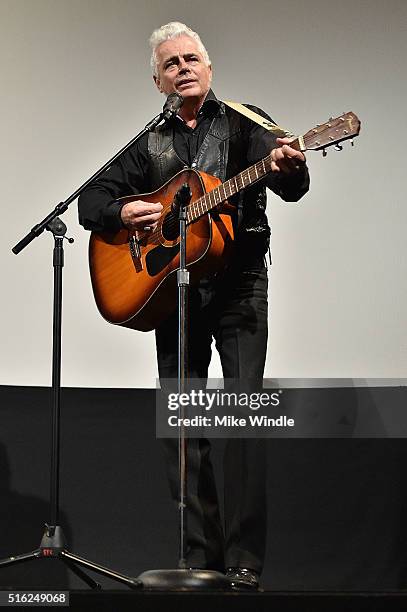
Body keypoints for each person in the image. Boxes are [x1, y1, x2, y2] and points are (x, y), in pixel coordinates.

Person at [78, 22, 309, 589]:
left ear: (209, 68)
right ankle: (200, 558)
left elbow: (290, 184)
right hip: (175, 291)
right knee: (182, 428)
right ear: (157, 80)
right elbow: (91, 199)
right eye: (171, 63)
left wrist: (292, 166)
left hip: (238, 285)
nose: (183, 67)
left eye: (192, 58)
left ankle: (245, 563)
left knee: (243, 419)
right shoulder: (149, 140)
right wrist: (122, 213)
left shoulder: (245, 121)